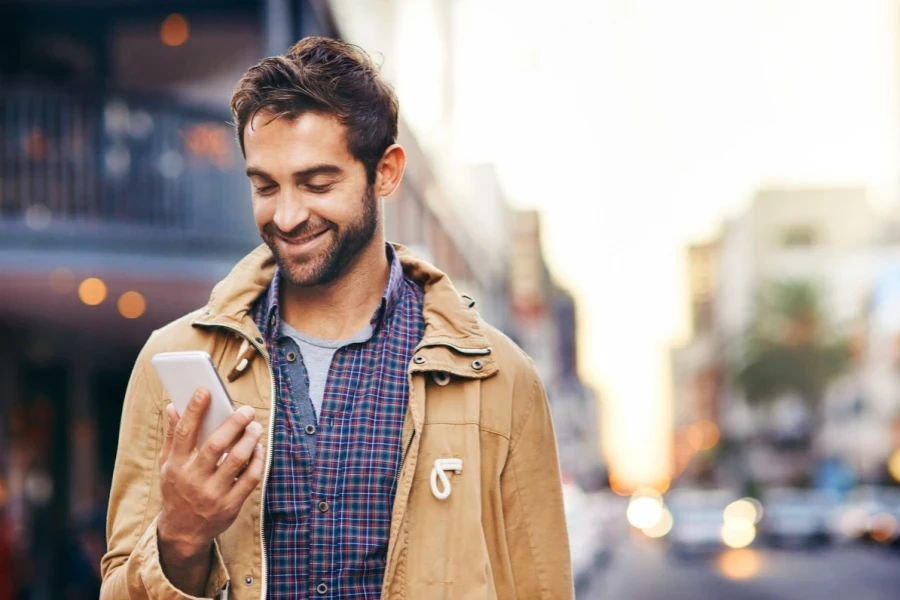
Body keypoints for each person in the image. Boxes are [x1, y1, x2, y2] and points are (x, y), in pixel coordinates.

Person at [101, 36, 572, 600]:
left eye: (318, 183)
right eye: (265, 186)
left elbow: (539, 586)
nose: (288, 214)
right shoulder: (169, 362)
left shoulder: (500, 378)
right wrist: (179, 537)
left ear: (387, 173)